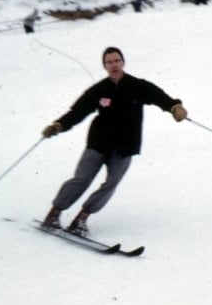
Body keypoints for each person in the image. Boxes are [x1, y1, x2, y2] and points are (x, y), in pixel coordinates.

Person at [41, 47, 188, 236]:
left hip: (125, 146)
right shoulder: (99, 90)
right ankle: (53, 214)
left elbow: (161, 98)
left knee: (111, 183)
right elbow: (78, 112)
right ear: (104, 66)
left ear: (123, 62)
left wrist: (175, 108)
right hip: (99, 143)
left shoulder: (138, 85)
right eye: (109, 62)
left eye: (117, 60)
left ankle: (81, 219)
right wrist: (59, 125)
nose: (114, 65)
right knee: (81, 179)